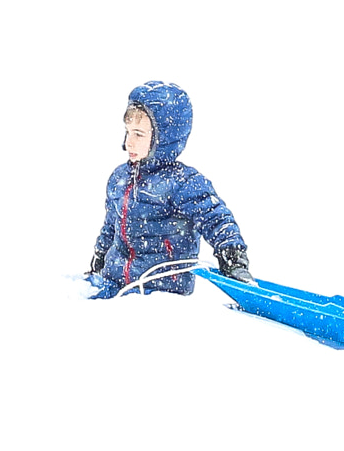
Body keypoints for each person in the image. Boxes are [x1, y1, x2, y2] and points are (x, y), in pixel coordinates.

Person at [84, 80, 253, 299]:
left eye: (139, 134)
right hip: (114, 282)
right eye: (128, 132)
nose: (129, 143)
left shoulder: (183, 183)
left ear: (164, 138)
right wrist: (100, 256)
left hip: (159, 293)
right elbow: (111, 226)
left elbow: (217, 220)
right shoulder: (120, 178)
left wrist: (232, 258)